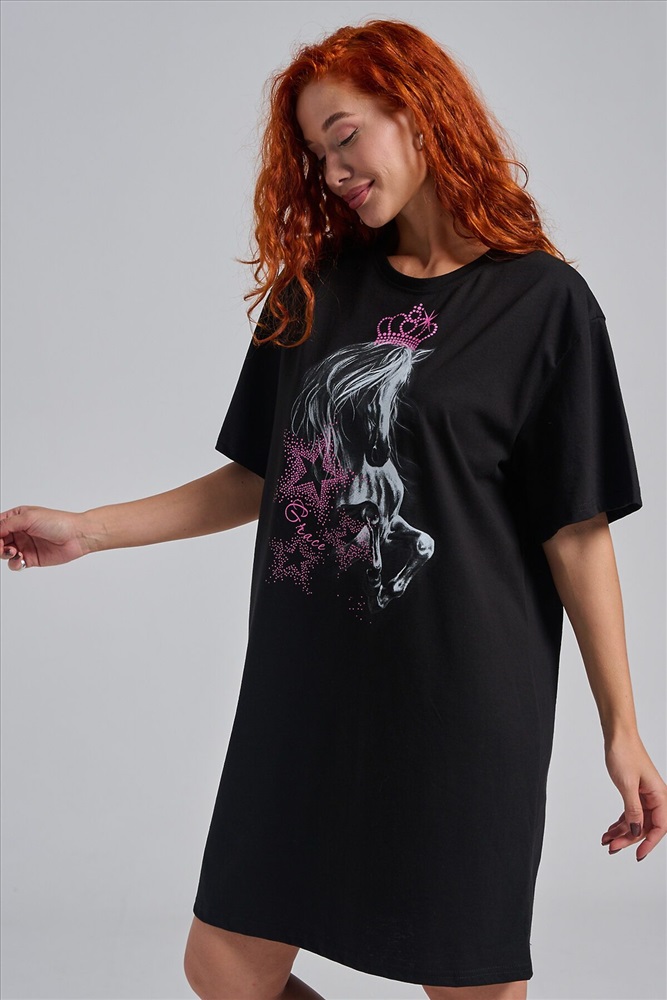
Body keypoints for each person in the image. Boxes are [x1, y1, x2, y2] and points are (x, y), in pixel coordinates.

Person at [2, 16, 665, 1000]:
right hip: (302, 698)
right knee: (223, 966)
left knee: (469, 984)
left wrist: (621, 726)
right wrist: (87, 529)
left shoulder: (543, 304)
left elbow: (574, 530)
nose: (335, 170)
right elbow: (261, 475)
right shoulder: (313, 292)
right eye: (318, 153)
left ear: (420, 112)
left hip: (461, 705)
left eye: (345, 135)